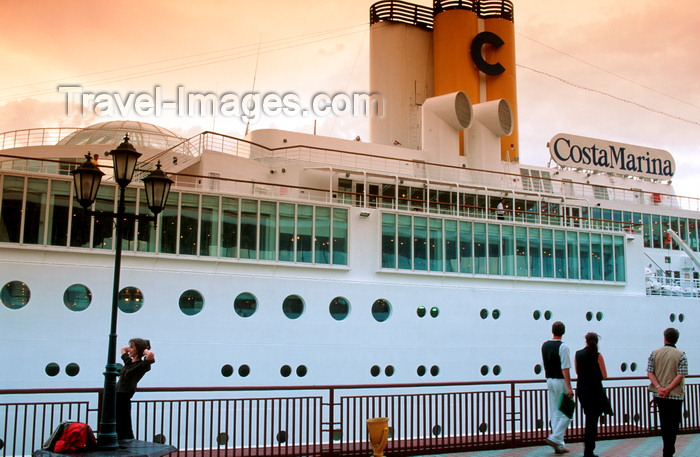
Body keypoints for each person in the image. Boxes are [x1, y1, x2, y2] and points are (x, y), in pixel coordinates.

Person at [647, 328, 688, 457]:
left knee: (664, 423)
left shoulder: (654, 353)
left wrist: (660, 388)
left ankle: (667, 450)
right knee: (674, 424)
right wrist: (669, 388)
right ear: (677, 339)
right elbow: (681, 374)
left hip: (660, 395)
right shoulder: (681, 354)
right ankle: (670, 450)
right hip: (676, 395)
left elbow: (649, 372)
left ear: (664, 338)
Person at [575, 332, 611, 457]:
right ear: (597, 342)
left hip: (582, 390)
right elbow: (605, 376)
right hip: (594, 391)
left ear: (586, 341)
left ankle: (588, 450)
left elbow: (577, 371)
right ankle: (589, 451)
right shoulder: (598, 356)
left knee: (589, 418)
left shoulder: (578, 354)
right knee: (592, 422)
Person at [542, 321, 573, 454]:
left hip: (549, 380)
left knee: (555, 411)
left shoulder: (544, 345)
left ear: (552, 331)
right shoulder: (563, 347)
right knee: (567, 411)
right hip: (560, 381)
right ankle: (555, 438)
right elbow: (565, 368)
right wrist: (569, 387)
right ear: (563, 332)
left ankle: (559, 445)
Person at [116, 338, 155, 443]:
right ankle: (120, 441)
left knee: (123, 422)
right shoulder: (128, 362)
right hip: (117, 395)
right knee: (117, 421)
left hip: (124, 395)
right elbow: (123, 349)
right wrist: (131, 348)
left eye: (132, 347)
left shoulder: (141, 365)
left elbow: (150, 355)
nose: (129, 349)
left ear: (139, 350)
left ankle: (126, 442)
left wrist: (143, 350)